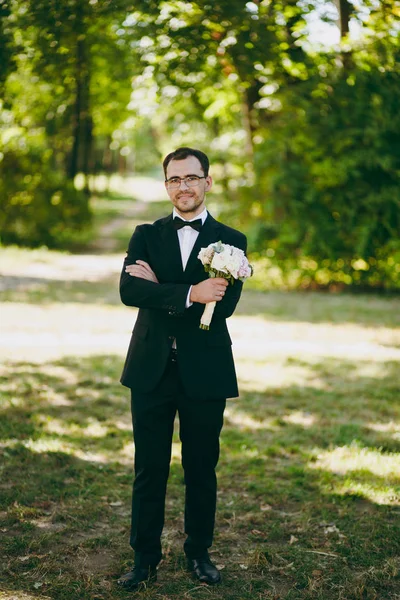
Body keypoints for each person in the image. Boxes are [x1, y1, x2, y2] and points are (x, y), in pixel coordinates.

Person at [117, 147, 247, 591]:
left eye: (192, 178)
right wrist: (192, 292)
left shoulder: (233, 241)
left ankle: (199, 553)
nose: (183, 187)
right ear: (166, 184)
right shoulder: (145, 234)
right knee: (149, 467)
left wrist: (164, 290)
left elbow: (225, 304)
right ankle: (144, 558)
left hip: (205, 370)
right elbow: (129, 291)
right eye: (174, 180)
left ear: (207, 182)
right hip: (151, 368)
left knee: (201, 466)